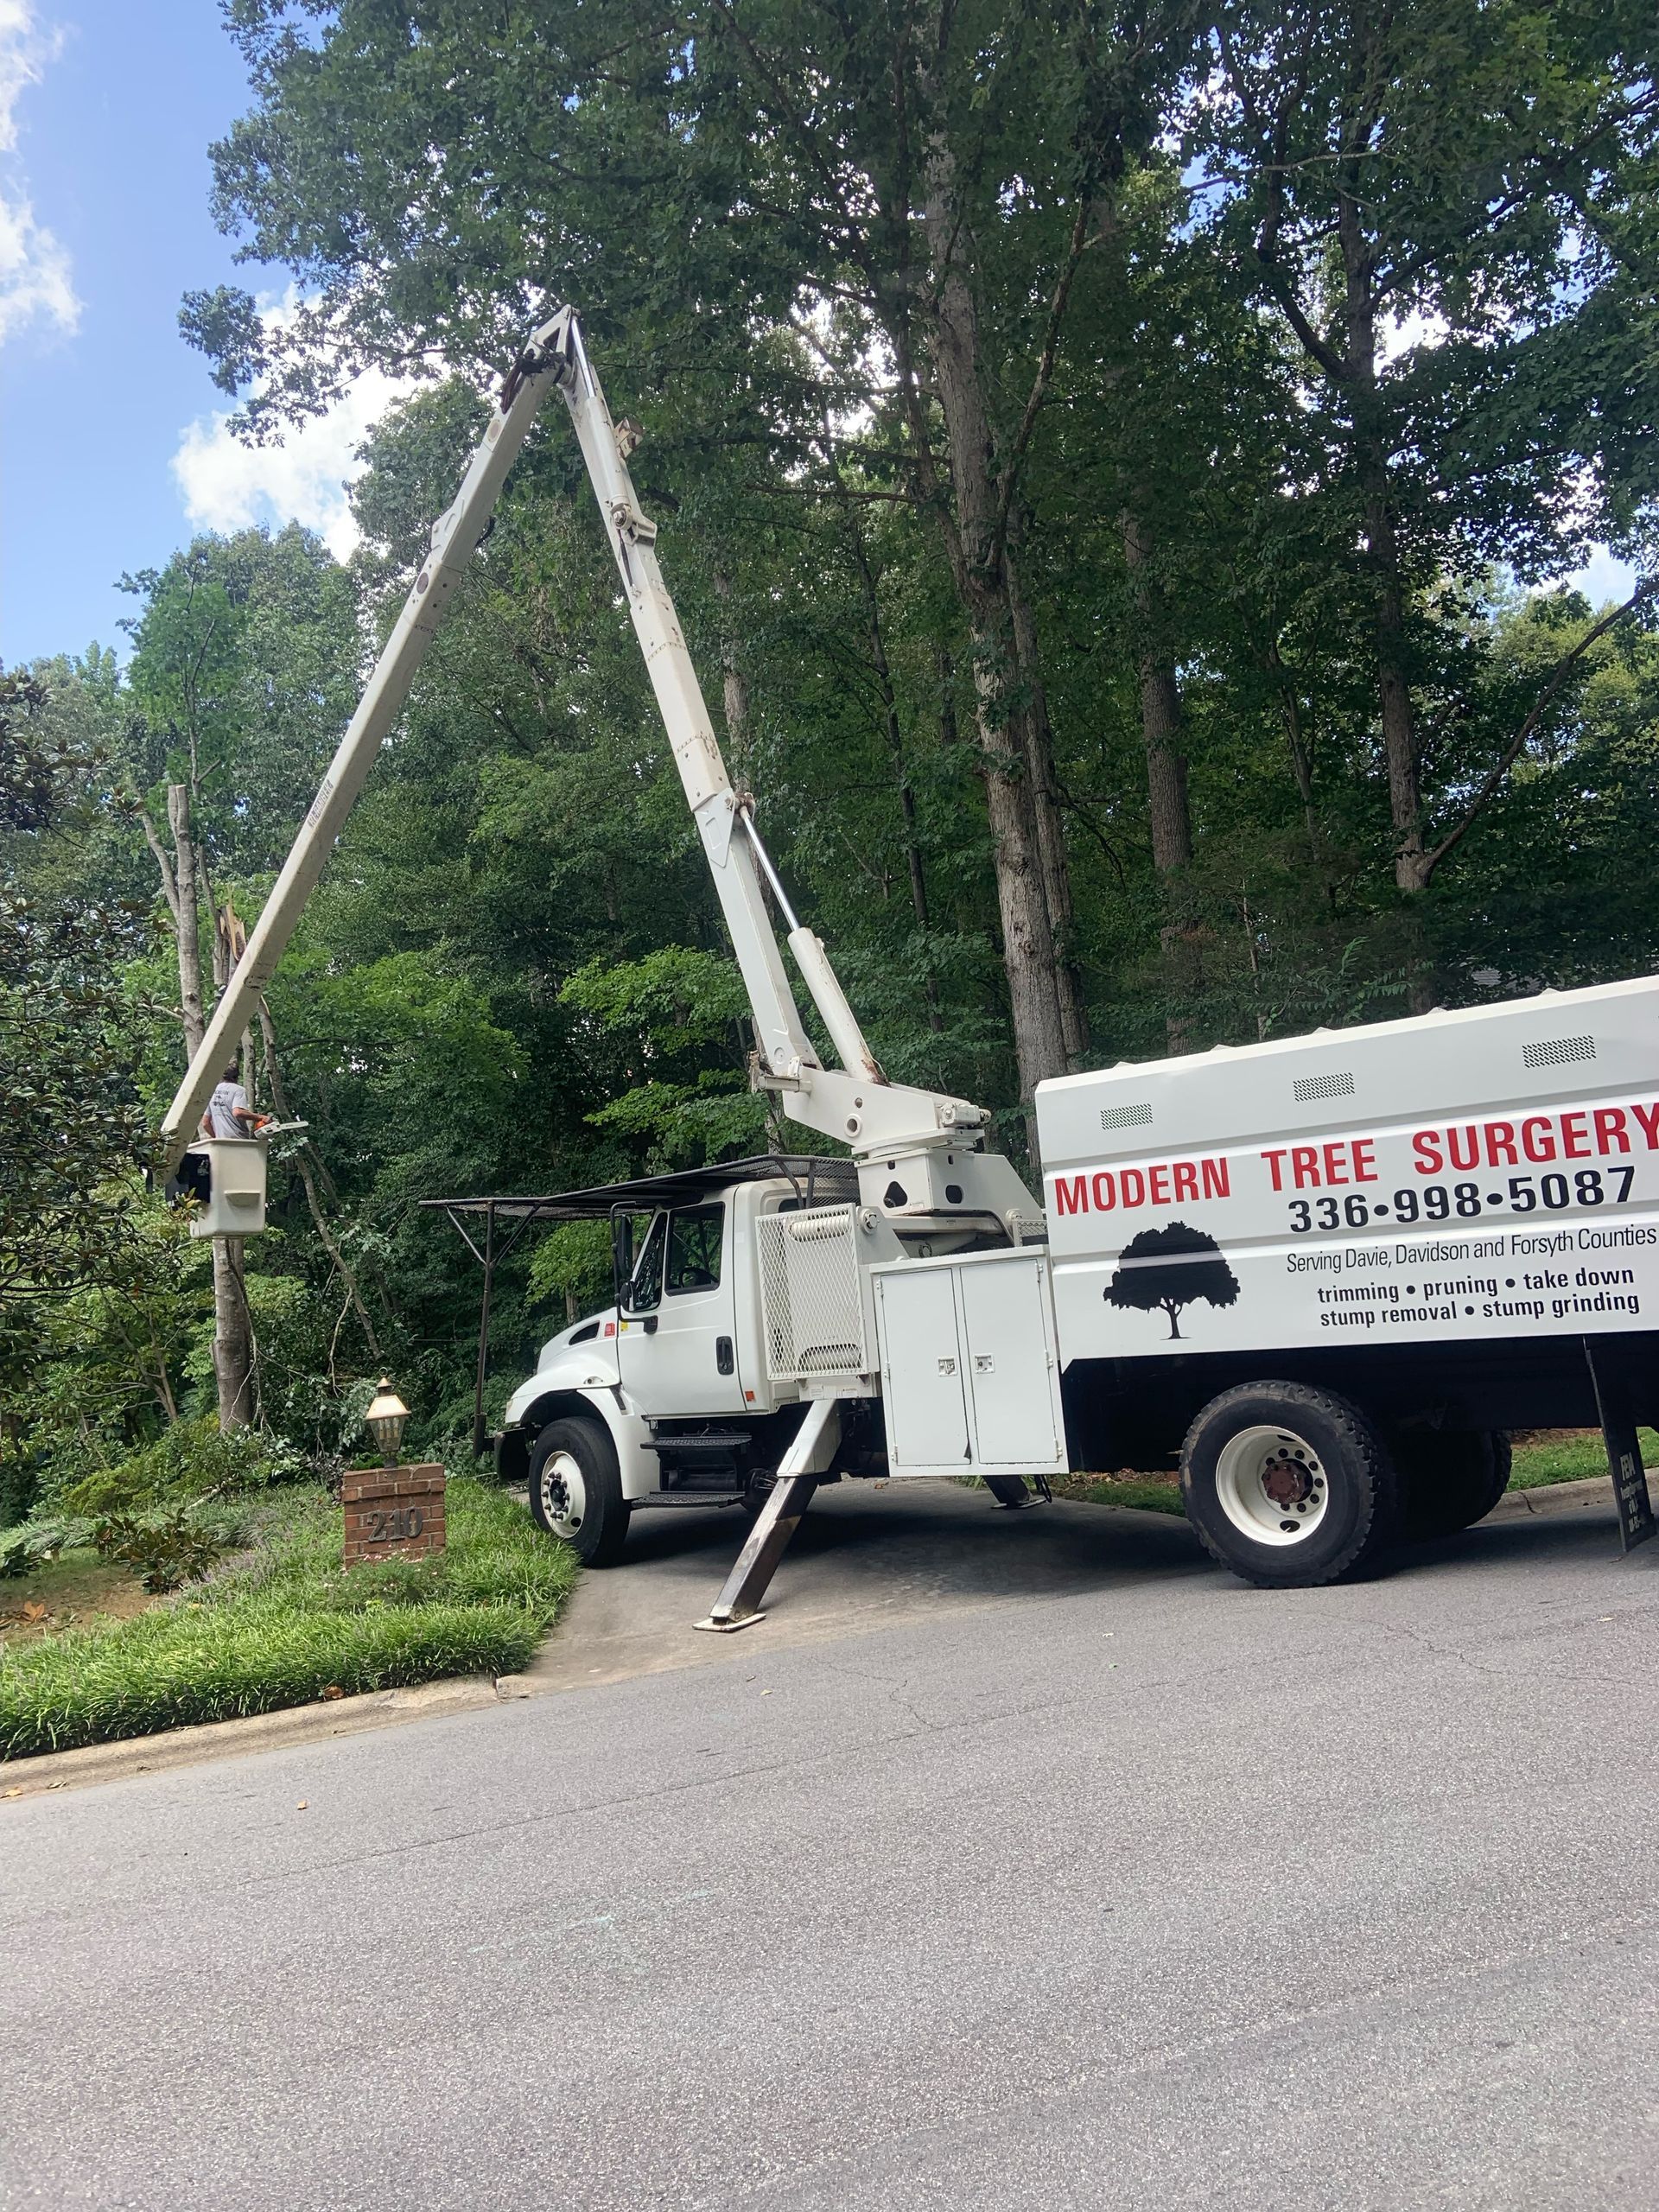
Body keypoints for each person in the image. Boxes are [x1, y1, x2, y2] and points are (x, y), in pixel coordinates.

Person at [200, 1062, 270, 1141]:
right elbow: (237, 1112)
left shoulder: (212, 1091)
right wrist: (260, 1117)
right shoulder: (238, 1090)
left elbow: (205, 1123)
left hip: (220, 1143)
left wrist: (216, 1138)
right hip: (239, 1140)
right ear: (236, 1076)